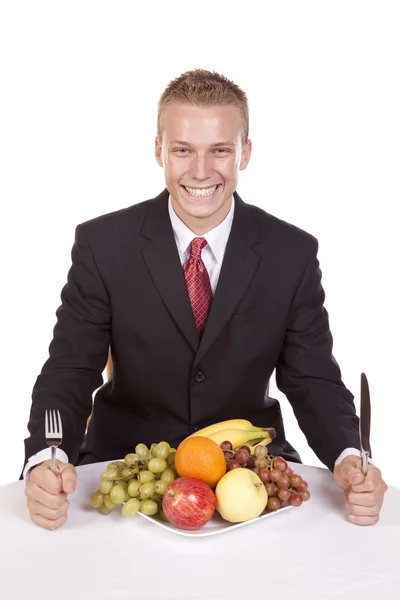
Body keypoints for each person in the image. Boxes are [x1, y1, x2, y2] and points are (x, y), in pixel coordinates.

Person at [23, 68, 387, 530]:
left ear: (245, 153)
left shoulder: (291, 253)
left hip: (250, 473)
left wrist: (349, 456)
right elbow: (71, 367)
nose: (200, 171)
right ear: (159, 150)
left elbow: (313, 379)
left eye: (219, 150)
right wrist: (41, 460)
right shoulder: (102, 244)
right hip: (124, 467)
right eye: (182, 150)